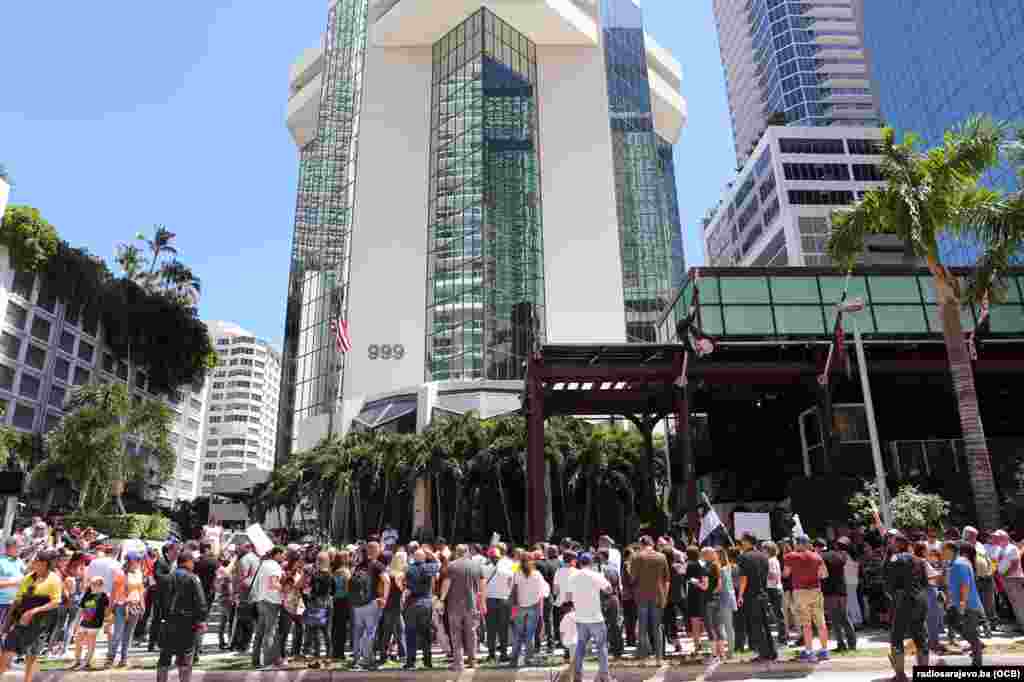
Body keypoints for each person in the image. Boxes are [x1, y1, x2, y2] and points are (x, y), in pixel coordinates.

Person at [0, 550, 63, 682]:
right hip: (21, 621)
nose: (33, 563)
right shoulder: (28, 578)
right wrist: (6, 624)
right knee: (7, 650)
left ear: (45, 564)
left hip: (41, 623)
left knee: (32, 655)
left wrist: (34, 611)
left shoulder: (54, 579)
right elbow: (17, 601)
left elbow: (56, 602)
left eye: (36, 561)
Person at [156, 551, 208, 682]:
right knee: (185, 656)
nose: (194, 565)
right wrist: (201, 620)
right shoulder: (193, 578)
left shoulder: (166, 578)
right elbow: (200, 601)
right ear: (188, 562)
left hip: (168, 621)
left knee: (165, 656)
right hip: (186, 623)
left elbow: (158, 602)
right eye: (192, 562)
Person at [884, 533, 929, 681]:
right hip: (920, 599)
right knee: (920, 636)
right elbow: (925, 582)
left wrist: (892, 595)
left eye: (892, 542)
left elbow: (889, 582)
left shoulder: (895, 558)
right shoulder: (919, 560)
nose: (890, 545)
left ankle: (900, 675)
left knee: (896, 637)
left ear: (898, 544)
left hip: (903, 600)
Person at [566, 552, 615, 682]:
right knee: (601, 647)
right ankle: (605, 676)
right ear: (591, 563)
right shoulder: (595, 575)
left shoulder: (573, 576)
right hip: (595, 617)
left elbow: (568, 597)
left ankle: (577, 675)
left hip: (580, 618)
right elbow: (609, 589)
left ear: (579, 563)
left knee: (580, 647)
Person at [783, 535, 828, 662]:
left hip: (800, 592)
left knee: (806, 624)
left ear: (798, 544)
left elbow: (786, 574)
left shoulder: (791, 556)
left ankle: (809, 651)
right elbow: (823, 575)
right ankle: (824, 651)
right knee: (821, 622)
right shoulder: (817, 556)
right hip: (815, 590)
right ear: (808, 544)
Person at [347, 541, 388, 671]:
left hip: (357, 604)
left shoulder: (358, 566)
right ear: (376, 551)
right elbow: (386, 580)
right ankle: (367, 660)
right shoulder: (377, 565)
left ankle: (356, 660)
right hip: (371, 603)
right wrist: (384, 598)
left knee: (357, 632)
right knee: (370, 632)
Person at [446, 544, 485, 672]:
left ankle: (458, 663)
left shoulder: (451, 565)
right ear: (467, 552)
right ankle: (472, 661)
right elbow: (482, 586)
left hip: (454, 605)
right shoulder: (476, 565)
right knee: (472, 633)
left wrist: (441, 599)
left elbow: (447, 583)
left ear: (456, 552)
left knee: (455, 633)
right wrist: (482, 603)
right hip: (471, 605)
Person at [631, 536, 669, 663]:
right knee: (656, 627)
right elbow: (667, 579)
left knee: (642, 628)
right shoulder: (661, 557)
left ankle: (643, 659)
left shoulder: (636, 557)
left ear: (641, 544)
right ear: (651, 543)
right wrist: (665, 596)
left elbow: (633, 578)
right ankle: (659, 658)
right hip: (658, 595)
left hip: (641, 595)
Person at [946, 541, 983, 667]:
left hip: (967, 605)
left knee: (969, 633)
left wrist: (962, 604)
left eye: (944, 550)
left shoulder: (959, 563)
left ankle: (977, 659)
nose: (941, 553)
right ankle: (976, 645)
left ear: (951, 551)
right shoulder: (959, 563)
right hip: (964, 604)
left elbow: (965, 585)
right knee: (953, 622)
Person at [509, 551, 549, 667]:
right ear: (532, 562)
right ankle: (528, 659)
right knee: (530, 634)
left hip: (520, 606)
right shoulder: (537, 574)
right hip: (534, 606)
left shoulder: (517, 574)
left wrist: (514, 607)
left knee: (518, 634)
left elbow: (514, 591)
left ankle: (514, 659)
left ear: (521, 562)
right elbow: (545, 591)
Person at [402, 548, 439, 670]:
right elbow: (438, 563)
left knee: (410, 633)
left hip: (411, 603)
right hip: (425, 603)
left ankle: (410, 661)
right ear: (424, 557)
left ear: (414, 557)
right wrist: (431, 554)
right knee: (425, 634)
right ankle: (427, 661)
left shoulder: (409, 568)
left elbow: (403, 581)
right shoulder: (429, 567)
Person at [250, 546, 285, 669]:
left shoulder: (263, 565)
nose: (283, 557)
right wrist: (285, 588)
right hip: (271, 601)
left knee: (260, 632)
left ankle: (256, 660)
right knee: (269, 632)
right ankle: (268, 662)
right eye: (282, 554)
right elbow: (274, 584)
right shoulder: (274, 566)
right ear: (277, 554)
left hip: (261, 600)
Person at [820, 538, 856, 651]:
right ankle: (852, 643)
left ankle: (841, 644)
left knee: (835, 619)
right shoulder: (843, 557)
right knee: (844, 617)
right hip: (842, 590)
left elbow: (822, 574)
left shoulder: (823, 557)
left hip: (830, 591)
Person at [482, 546, 513, 663]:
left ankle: (491, 654)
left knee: (490, 629)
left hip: (490, 600)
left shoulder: (484, 567)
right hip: (504, 600)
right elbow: (515, 577)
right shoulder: (510, 565)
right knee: (503, 628)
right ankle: (503, 653)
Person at [114, 553, 145, 667]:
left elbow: (141, 590)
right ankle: (111, 657)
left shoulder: (139, 573)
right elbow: (115, 590)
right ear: (131, 562)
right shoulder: (120, 573)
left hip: (135, 606)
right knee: (118, 633)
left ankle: (124, 658)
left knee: (129, 634)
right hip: (122, 605)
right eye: (137, 561)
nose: (138, 563)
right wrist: (112, 606)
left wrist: (142, 604)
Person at [71, 576, 108, 670]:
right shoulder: (87, 594)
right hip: (85, 622)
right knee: (78, 640)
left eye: (96, 584)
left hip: (95, 623)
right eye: (92, 584)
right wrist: (76, 623)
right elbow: (80, 609)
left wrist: (107, 623)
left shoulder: (104, 596)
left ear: (101, 585)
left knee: (90, 642)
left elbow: (107, 610)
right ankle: (77, 661)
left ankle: (86, 662)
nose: (93, 586)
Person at [305, 552, 333, 668]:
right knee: (326, 632)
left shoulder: (315, 575)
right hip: (328, 603)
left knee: (315, 633)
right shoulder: (330, 576)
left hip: (316, 604)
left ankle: (317, 660)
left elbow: (312, 590)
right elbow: (333, 591)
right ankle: (328, 658)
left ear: (318, 561)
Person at [684, 545, 707, 657]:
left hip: (693, 595)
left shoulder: (690, 565)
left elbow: (687, 578)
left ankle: (697, 644)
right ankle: (700, 643)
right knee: (700, 620)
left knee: (695, 621)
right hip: (702, 594)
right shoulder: (702, 564)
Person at [0, 538, 25, 628]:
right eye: (19, 547)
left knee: (5, 631)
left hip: (14, 603)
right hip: (2, 603)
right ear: (11, 547)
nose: (21, 549)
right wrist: (14, 583)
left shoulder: (19, 561)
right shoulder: (1, 562)